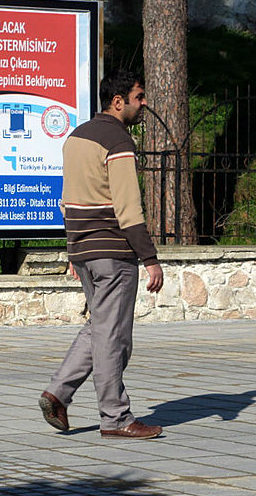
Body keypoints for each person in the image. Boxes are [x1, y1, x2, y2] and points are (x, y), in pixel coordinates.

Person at [39, 69, 164, 439]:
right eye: (138, 97)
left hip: (83, 250)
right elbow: (128, 206)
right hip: (113, 250)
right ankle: (116, 418)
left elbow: (68, 201)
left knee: (99, 327)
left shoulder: (76, 137)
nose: (143, 104)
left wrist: (73, 249)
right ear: (117, 101)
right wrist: (150, 258)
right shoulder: (117, 140)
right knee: (114, 338)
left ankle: (57, 394)